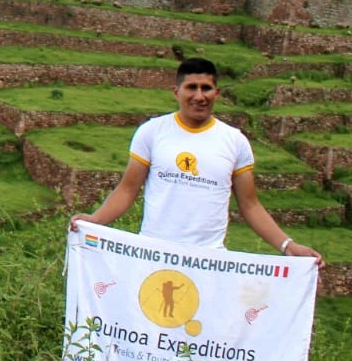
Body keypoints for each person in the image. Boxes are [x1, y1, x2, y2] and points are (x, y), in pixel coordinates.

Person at [69, 57, 324, 265]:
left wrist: (287, 246)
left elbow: (250, 205)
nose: (199, 96)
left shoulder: (235, 142)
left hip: (208, 261)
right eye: (192, 88)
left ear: (217, 93)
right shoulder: (152, 132)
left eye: (206, 88)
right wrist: (95, 220)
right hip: (152, 255)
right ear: (176, 92)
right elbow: (127, 190)